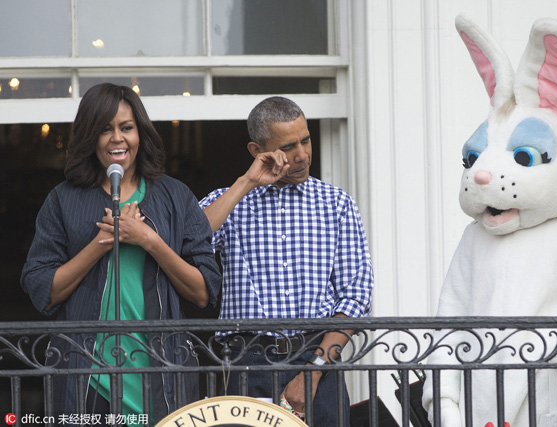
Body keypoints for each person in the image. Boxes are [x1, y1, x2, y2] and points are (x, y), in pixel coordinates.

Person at [21, 83, 222, 425]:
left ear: (139, 134)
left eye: (126, 128)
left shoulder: (175, 197)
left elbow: (204, 292)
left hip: (162, 380)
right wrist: (103, 240)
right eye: (105, 129)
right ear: (89, 137)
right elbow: (43, 290)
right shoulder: (63, 200)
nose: (117, 139)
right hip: (85, 381)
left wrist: (149, 240)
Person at [199, 96, 374, 426]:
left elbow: (356, 295)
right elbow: (188, 241)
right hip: (246, 362)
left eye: (306, 140)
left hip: (317, 358)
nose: (303, 155)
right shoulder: (230, 201)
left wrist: (315, 371)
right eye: (289, 146)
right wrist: (247, 182)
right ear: (257, 151)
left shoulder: (337, 205)